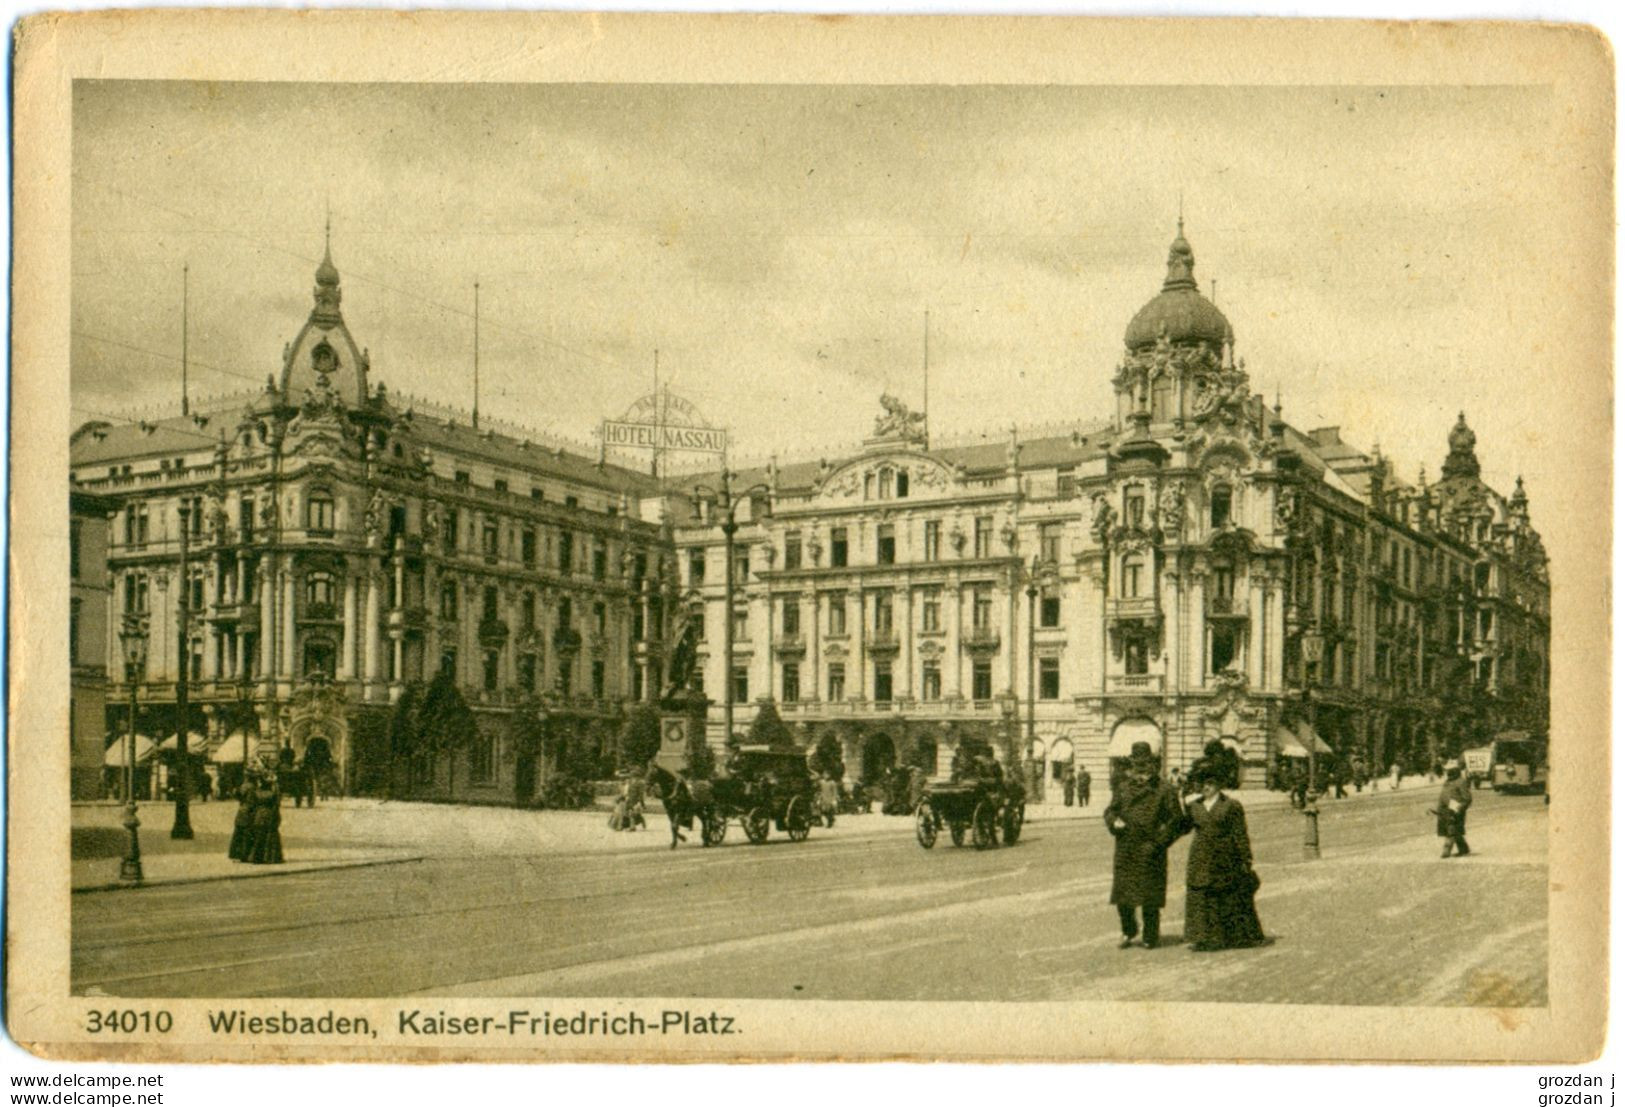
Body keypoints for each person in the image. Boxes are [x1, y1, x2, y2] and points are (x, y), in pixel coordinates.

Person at [1175, 764, 1268, 952]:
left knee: (1225, 896)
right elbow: (1182, 827)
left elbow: (1240, 834)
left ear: (1218, 785)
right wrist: (1179, 805)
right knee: (1202, 895)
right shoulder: (1194, 806)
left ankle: (1228, 936)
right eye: (1203, 784)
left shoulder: (1231, 806)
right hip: (1200, 857)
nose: (1206, 787)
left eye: (1210, 783)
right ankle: (1202, 937)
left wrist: (1245, 858)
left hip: (1225, 857)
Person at [1103, 742, 1182, 950]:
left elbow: (1177, 821)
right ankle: (1128, 931)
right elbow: (1110, 811)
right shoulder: (1123, 787)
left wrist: (1160, 842)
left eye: (1145, 763)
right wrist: (1113, 822)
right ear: (1132, 763)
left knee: (1150, 897)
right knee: (1123, 897)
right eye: (1137, 763)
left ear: (1152, 763)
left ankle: (1150, 935)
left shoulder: (1164, 789)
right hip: (1126, 847)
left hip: (1151, 848)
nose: (1141, 767)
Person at [244, 768, 284, 865]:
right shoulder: (273, 794)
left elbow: (251, 805)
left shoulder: (256, 792)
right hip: (270, 815)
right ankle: (271, 857)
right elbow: (276, 806)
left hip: (259, 815)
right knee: (271, 835)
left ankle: (256, 857)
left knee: (258, 836)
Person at [1436, 759, 1473, 858]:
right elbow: (1443, 795)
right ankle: (1464, 848)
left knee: (1451, 831)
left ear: (1455, 771)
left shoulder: (1461, 782)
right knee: (1454, 831)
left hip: (1455, 811)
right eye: (1447, 770)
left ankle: (1446, 852)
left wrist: (1460, 808)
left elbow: (1467, 798)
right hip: (1444, 811)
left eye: (1450, 770)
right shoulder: (1448, 782)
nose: (1447, 772)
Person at [227, 770, 258, 861]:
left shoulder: (244, 786)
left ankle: (236, 854)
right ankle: (245, 854)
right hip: (250, 811)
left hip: (242, 810)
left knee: (239, 832)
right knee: (248, 833)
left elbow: (238, 796)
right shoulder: (253, 787)